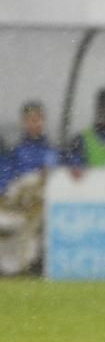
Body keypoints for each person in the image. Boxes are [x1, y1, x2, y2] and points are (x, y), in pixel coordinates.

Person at [0, 101, 58, 275]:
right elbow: (7, 181)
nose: (36, 124)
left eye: (38, 119)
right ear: (24, 122)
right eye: (31, 119)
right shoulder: (16, 152)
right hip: (20, 209)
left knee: (34, 235)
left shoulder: (52, 151)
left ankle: (31, 268)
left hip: (43, 209)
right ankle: (13, 270)